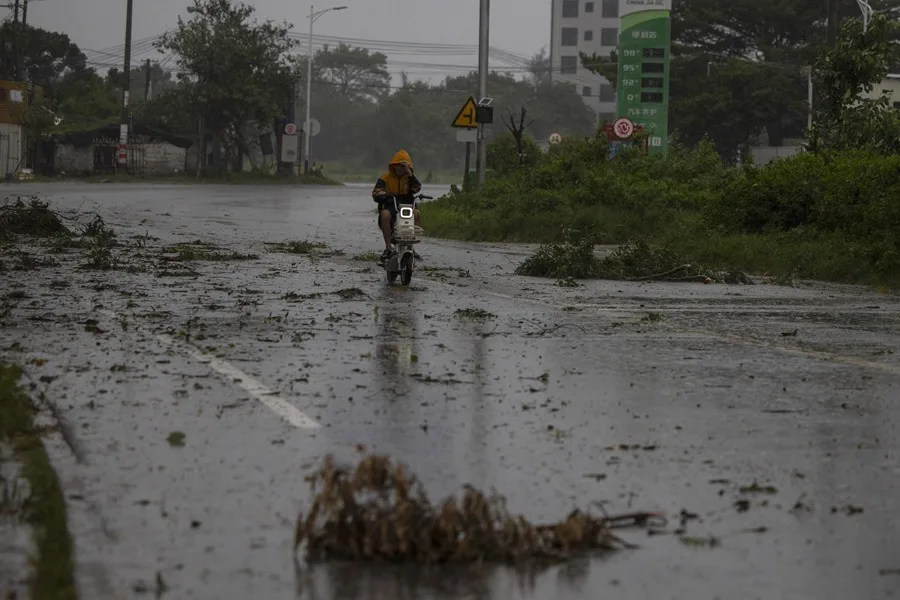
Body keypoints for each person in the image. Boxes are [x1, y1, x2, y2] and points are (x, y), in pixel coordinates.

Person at [372, 150, 423, 262]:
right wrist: (385, 195)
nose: (400, 168)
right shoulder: (385, 178)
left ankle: (411, 248)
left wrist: (410, 174)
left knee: (417, 213)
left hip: (407, 207)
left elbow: (417, 188)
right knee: (385, 214)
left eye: (403, 166)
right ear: (393, 166)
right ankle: (388, 248)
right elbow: (375, 193)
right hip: (391, 206)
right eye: (398, 165)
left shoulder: (410, 179)